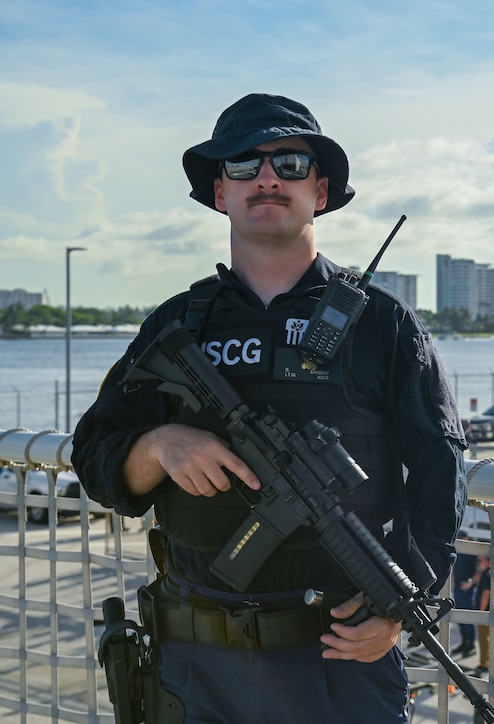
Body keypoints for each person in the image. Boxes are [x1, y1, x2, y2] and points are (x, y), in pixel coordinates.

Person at [72, 93, 467, 723]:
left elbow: (440, 469)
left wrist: (399, 606)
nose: (266, 178)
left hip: (340, 662)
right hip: (194, 666)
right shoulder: (178, 325)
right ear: (219, 193)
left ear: (321, 190)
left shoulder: (383, 327)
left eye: (288, 163)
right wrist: (156, 446)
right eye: (242, 165)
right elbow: (94, 456)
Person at [451, 533, 477, 658]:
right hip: (458, 587)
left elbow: (479, 570)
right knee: (459, 616)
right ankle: (464, 642)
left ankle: (470, 644)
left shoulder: (471, 551)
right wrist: (453, 577)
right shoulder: (459, 549)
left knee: (467, 616)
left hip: (467, 588)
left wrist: (470, 583)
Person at [472, 555, 492, 676]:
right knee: (485, 638)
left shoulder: (487, 575)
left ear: (488, 562)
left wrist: (481, 612)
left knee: (484, 639)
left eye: (481, 561)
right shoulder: (485, 573)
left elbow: (486, 594)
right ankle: (485, 662)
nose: (478, 562)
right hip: (485, 612)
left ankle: (485, 664)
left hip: (484, 613)